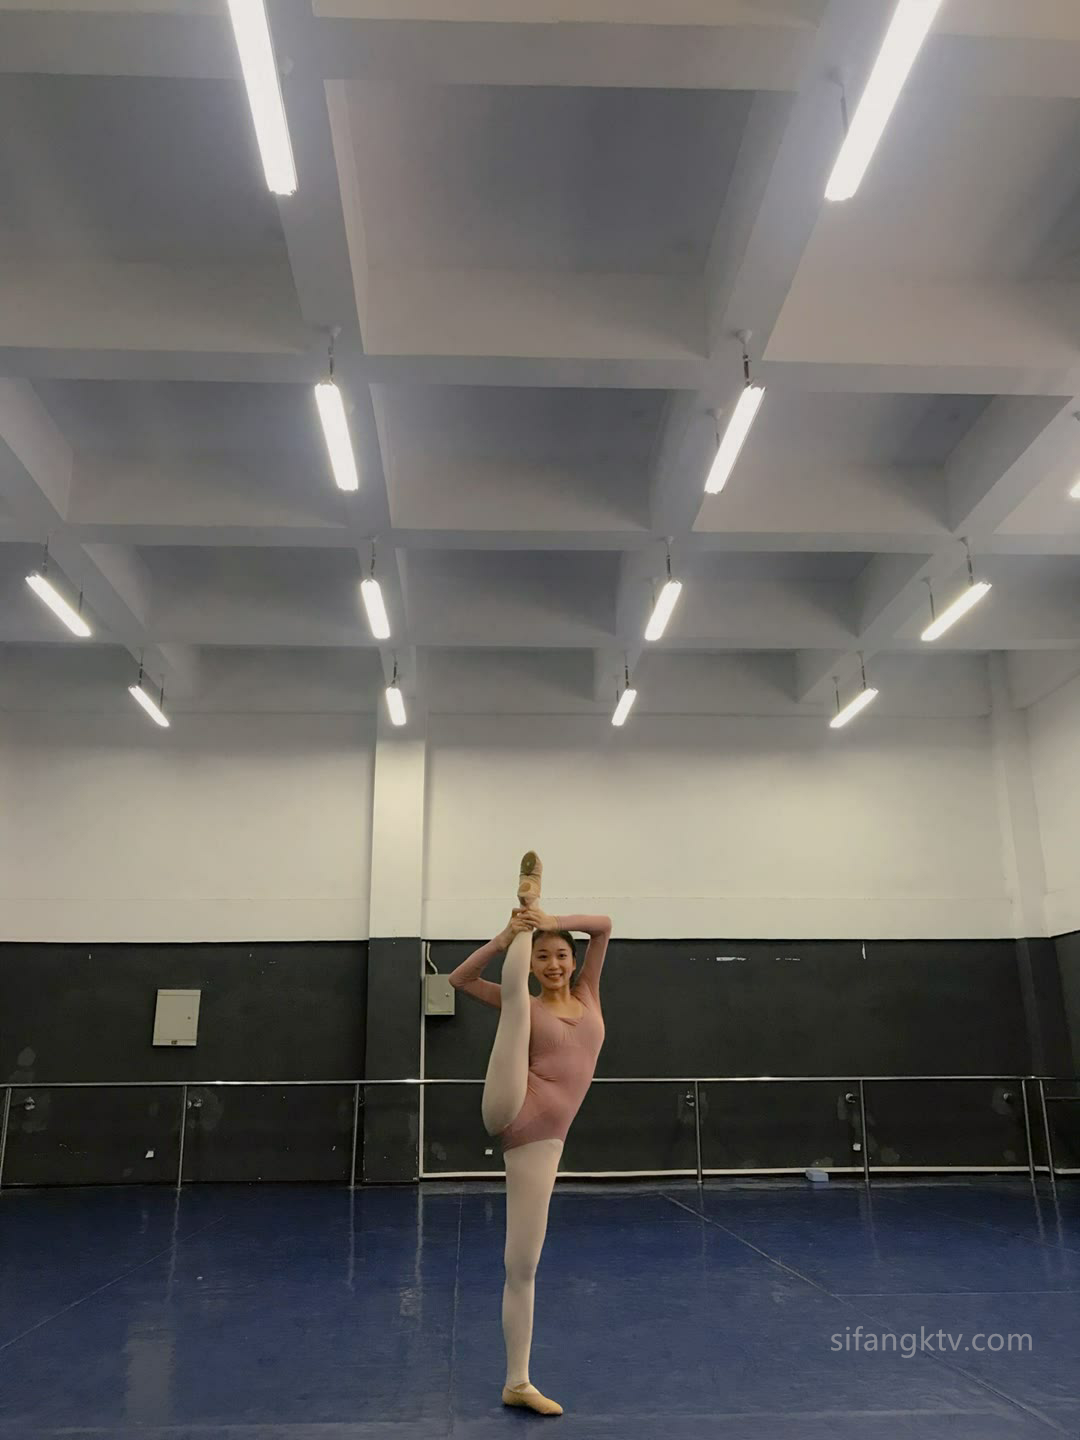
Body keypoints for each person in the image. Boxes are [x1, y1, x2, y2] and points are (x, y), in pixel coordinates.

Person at [449, 851, 612, 1417]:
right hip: (515, 1110)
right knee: (515, 1002)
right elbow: (459, 979)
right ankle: (525, 896)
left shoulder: (588, 994)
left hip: (545, 1139)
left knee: (522, 1265)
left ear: (572, 960)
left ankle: (517, 1382)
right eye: (542, 955)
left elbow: (604, 926)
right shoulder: (524, 993)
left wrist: (551, 920)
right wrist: (508, 935)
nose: (553, 963)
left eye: (560, 954)